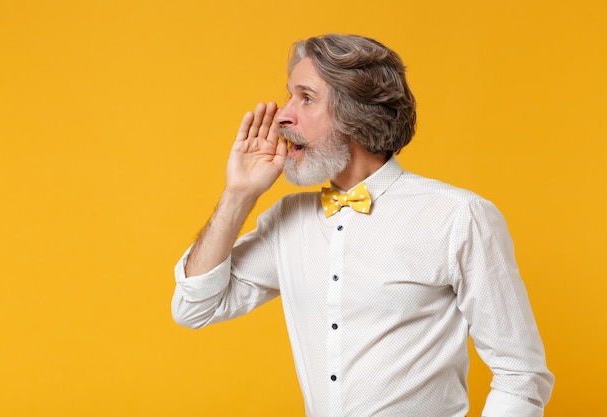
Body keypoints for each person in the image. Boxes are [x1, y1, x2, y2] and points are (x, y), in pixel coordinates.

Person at [171, 34, 554, 417]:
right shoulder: (288, 221)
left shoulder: (457, 217)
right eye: (288, 96)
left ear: (355, 113)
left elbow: (520, 374)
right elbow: (194, 308)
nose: (283, 115)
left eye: (305, 98)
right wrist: (238, 194)